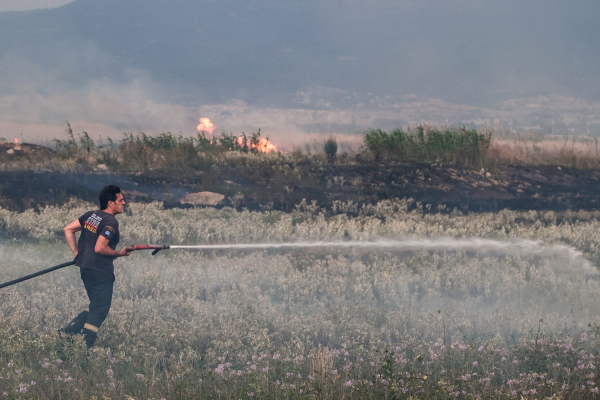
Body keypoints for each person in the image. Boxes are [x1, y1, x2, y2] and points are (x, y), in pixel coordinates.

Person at [60, 185, 130, 348]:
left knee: (96, 305)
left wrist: (77, 254)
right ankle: (84, 346)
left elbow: (68, 229)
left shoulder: (90, 215)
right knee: (100, 310)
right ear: (110, 203)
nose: (124, 203)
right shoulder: (110, 221)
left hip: (86, 269)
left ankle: (67, 333)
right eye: (120, 200)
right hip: (100, 271)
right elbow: (100, 248)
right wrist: (119, 253)